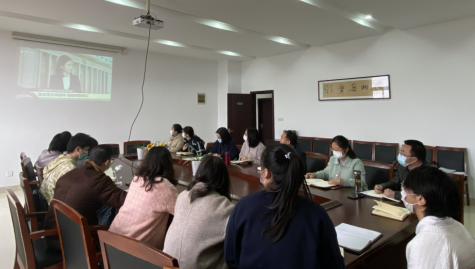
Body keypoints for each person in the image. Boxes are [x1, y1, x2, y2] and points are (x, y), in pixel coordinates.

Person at [224, 144, 344, 268]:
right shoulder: (317, 214)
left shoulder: (243, 207)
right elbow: (334, 264)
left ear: (266, 174)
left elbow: (231, 258)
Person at [43, 145, 127, 250]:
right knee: (112, 210)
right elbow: (124, 201)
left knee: (104, 206)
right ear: (106, 162)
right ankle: (108, 250)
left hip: (50, 234)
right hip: (70, 242)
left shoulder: (72, 173)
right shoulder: (99, 180)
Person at [164, 155, 234, 269]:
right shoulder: (225, 207)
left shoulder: (182, 196)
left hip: (166, 264)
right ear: (223, 180)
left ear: (199, 174)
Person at [403, 166, 475, 268]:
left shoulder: (422, 245)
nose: (404, 196)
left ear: (420, 199)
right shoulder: (458, 226)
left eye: (407, 192)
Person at [110, 147, 178, 250]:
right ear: (168, 164)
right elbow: (182, 213)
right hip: (136, 251)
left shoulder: (136, 179)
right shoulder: (165, 186)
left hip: (111, 240)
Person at [40, 133, 93, 205]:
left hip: (49, 201)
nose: (87, 154)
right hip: (59, 207)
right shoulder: (70, 168)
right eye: (86, 150)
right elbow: (77, 193)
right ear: (78, 149)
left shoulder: (60, 159)